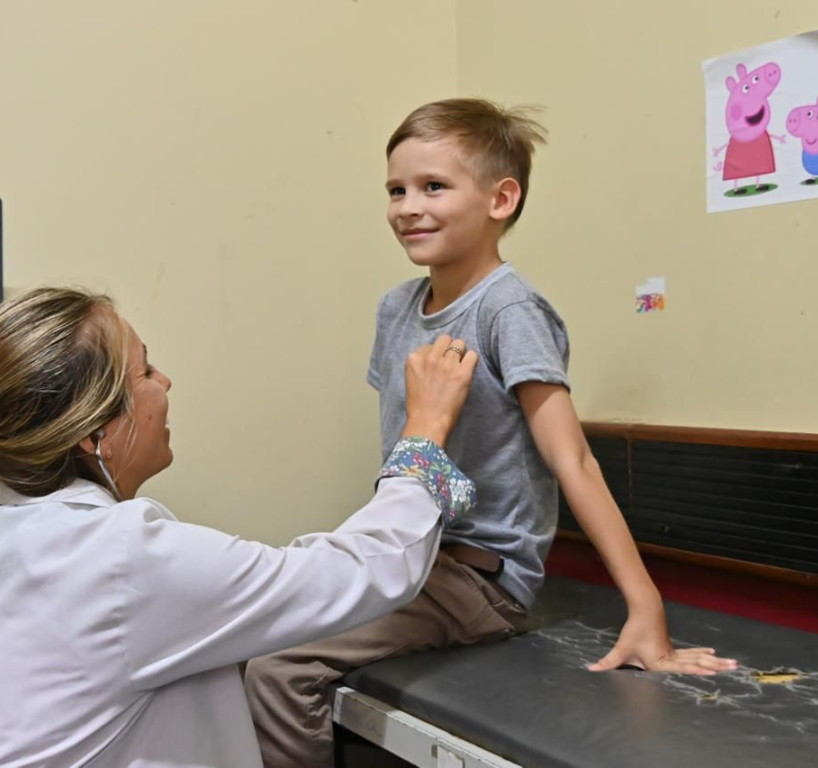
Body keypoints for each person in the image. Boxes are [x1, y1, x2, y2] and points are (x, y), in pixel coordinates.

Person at [244, 98, 738, 768]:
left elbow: (575, 462)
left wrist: (645, 607)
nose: (407, 207)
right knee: (239, 632)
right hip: (405, 556)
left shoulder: (510, 310)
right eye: (396, 189)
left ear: (501, 199)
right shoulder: (396, 308)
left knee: (277, 670)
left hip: (478, 582)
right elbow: (409, 453)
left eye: (433, 187)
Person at [0, 286, 483, 768]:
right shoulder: (114, 557)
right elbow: (361, 571)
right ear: (93, 432)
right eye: (145, 370)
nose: (165, 383)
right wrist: (423, 433)